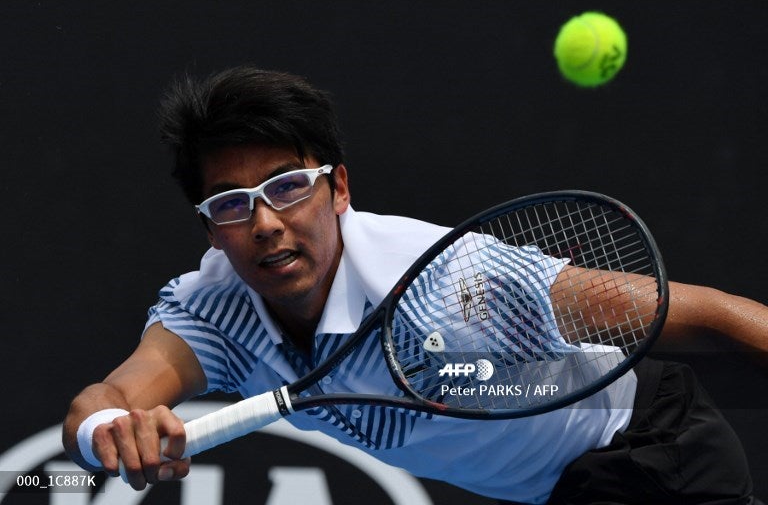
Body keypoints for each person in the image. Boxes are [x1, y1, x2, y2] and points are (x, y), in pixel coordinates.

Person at [62, 66, 768, 505]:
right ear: (210, 226)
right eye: (231, 203)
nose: (266, 223)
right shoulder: (213, 313)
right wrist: (111, 433)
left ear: (338, 189)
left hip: (649, 453)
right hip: (554, 490)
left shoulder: (454, 283)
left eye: (286, 187)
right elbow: (112, 399)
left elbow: (705, 315)